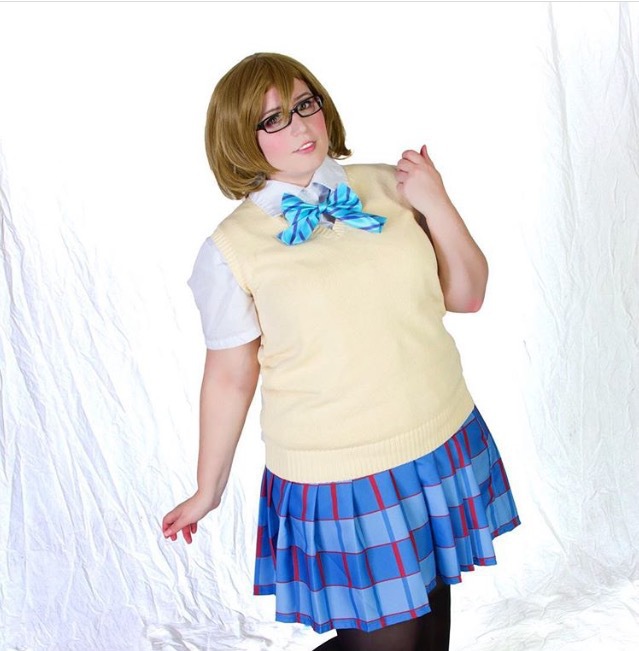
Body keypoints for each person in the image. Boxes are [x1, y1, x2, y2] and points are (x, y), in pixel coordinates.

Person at [162, 52, 521, 651]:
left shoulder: (390, 185)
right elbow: (230, 377)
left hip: (438, 439)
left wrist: (437, 201)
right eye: (273, 119)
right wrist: (208, 488)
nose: (301, 126)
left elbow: (468, 295)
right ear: (240, 137)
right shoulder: (230, 251)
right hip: (341, 478)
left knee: (429, 637)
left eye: (306, 105)